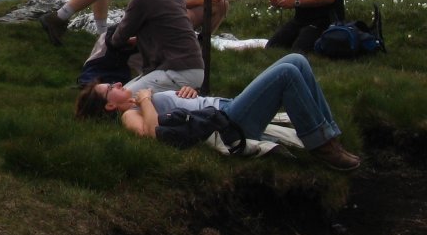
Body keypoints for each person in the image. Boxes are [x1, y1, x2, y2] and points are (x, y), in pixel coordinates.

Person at [74, 53, 361, 171]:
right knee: (286, 72)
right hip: (229, 122)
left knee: (296, 60)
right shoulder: (129, 114)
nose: (119, 83)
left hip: (224, 107)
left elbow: (180, 112)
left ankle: (329, 135)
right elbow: (150, 133)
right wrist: (147, 100)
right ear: (111, 105)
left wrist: (185, 95)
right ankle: (322, 146)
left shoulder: (138, 102)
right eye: (111, 87)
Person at [101, 0, 205, 93]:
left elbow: (118, 39)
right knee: (125, 90)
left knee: (122, 100)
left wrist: (111, 38)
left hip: (177, 71)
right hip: (194, 66)